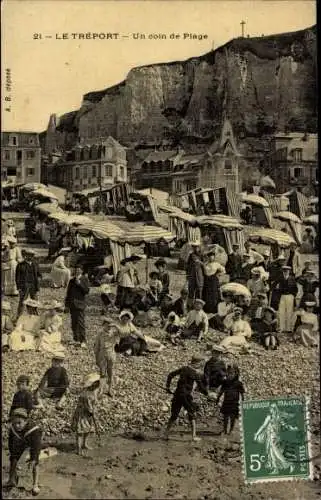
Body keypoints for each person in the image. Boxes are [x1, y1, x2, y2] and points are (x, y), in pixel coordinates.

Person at [165, 356, 211, 442]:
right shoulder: (195, 374)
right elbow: (201, 387)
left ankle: (166, 433)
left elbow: (170, 375)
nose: (201, 366)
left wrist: (167, 387)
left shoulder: (183, 368)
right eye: (201, 364)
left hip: (177, 394)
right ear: (196, 363)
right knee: (192, 414)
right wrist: (208, 394)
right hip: (186, 396)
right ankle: (193, 436)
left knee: (174, 415)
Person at [6, 408, 42, 495]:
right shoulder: (13, 429)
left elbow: (36, 447)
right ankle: (12, 480)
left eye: (19, 423)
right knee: (13, 459)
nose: (16, 426)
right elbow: (10, 442)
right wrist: (12, 453)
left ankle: (35, 484)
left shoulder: (34, 429)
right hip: (20, 442)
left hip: (33, 443)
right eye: (14, 423)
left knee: (35, 463)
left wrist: (33, 458)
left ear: (25, 421)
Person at [71, 372, 101, 455]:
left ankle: (84, 444)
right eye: (97, 383)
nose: (98, 384)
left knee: (87, 430)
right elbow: (88, 406)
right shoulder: (86, 393)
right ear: (93, 384)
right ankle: (78, 449)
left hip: (88, 414)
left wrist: (93, 410)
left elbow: (93, 402)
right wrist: (92, 412)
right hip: (83, 414)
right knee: (80, 432)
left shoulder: (93, 391)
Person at [65, 265, 90, 348]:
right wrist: (66, 305)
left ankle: (83, 340)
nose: (77, 272)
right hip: (72, 304)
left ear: (82, 271)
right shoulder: (71, 280)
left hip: (80, 304)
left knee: (81, 323)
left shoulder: (84, 279)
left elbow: (86, 291)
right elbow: (68, 293)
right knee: (74, 322)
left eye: (79, 270)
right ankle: (76, 339)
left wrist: (80, 284)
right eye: (76, 270)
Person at [216, 365, 245, 435]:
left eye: (232, 373)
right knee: (225, 417)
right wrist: (218, 399)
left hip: (234, 402)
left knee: (233, 417)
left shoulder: (238, 383)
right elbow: (221, 391)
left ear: (236, 374)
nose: (230, 375)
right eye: (228, 373)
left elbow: (242, 393)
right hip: (226, 402)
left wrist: (243, 402)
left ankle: (231, 430)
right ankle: (225, 430)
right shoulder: (225, 382)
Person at [94, 318, 120, 397]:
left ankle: (109, 388)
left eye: (110, 325)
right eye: (107, 325)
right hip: (102, 354)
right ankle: (101, 388)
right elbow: (96, 347)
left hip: (111, 354)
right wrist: (96, 358)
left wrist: (116, 326)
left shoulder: (114, 333)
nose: (109, 326)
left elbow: (122, 333)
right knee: (102, 372)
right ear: (103, 325)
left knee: (110, 372)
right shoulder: (100, 333)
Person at [15, 249, 40, 317]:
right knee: (22, 301)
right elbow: (17, 278)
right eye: (29, 255)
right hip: (24, 286)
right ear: (26, 256)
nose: (31, 257)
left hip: (33, 285)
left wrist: (39, 279)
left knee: (34, 300)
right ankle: (19, 316)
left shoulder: (35, 264)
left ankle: (34, 315)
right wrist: (19, 288)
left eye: (32, 256)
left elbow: (38, 274)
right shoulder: (20, 265)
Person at [276, 266, 298, 334]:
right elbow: (274, 285)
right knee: (281, 312)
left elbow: (296, 288)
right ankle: (281, 328)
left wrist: (293, 295)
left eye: (287, 270)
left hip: (290, 296)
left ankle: (289, 328)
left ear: (289, 271)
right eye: (284, 270)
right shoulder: (280, 277)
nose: (285, 272)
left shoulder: (292, 278)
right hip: (282, 296)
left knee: (289, 312)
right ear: (282, 271)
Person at [202, 250, 225, 314]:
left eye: (212, 256)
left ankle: (214, 309)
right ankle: (207, 309)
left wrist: (218, 274)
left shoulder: (216, 264)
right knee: (207, 293)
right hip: (206, 280)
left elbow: (223, 270)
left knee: (214, 294)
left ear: (214, 257)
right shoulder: (206, 263)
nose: (210, 258)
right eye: (209, 256)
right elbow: (204, 272)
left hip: (213, 280)